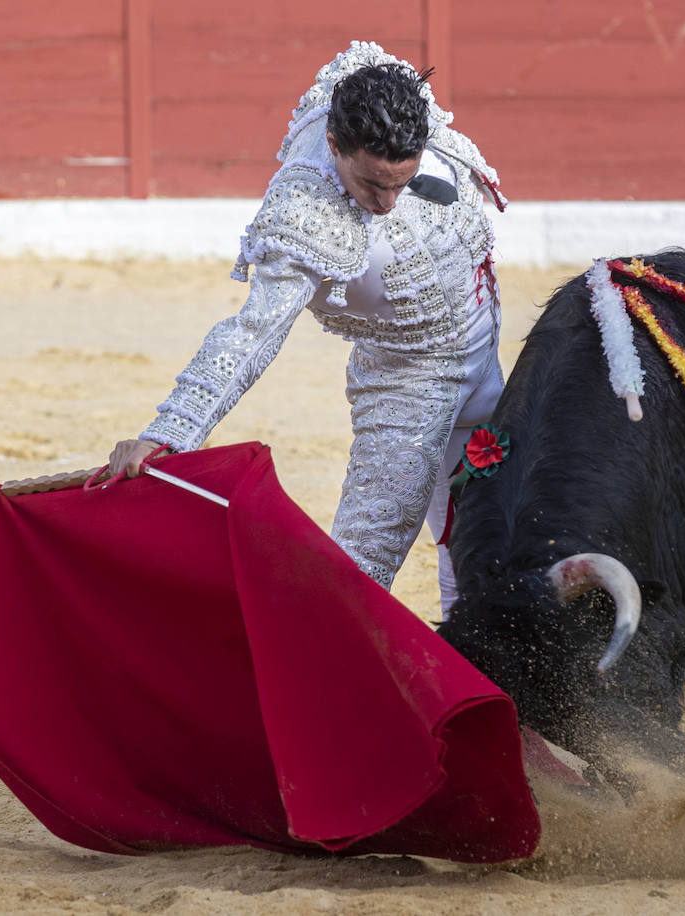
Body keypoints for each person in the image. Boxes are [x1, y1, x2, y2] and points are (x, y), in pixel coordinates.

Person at [106, 41, 508, 614]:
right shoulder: (304, 213)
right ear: (334, 145)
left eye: (401, 182)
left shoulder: (386, 108)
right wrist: (170, 434)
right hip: (405, 379)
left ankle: (481, 674)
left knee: (486, 537)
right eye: (373, 185)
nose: (388, 203)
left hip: (488, 354)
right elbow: (252, 334)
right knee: (362, 565)